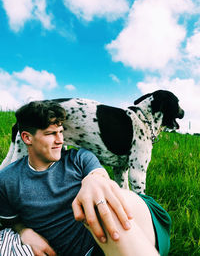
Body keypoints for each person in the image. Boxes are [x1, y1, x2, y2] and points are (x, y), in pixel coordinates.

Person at [0, 100, 171, 256]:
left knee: (104, 199)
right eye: (51, 134)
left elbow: (98, 175)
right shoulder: (7, 179)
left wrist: (95, 180)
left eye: (61, 132)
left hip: (137, 218)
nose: (60, 140)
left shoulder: (79, 158)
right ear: (27, 138)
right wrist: (24, 231)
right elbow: (11, 221)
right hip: (108, 246)